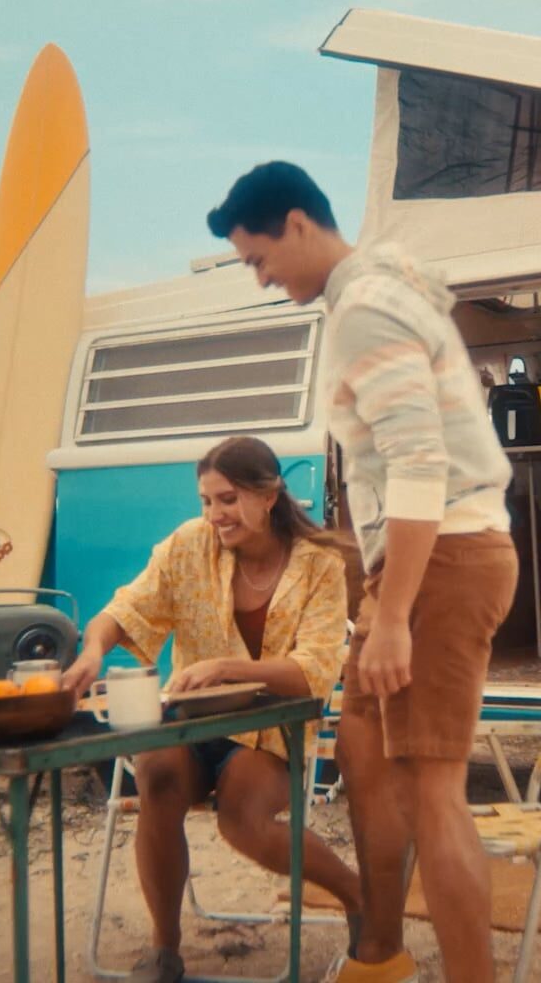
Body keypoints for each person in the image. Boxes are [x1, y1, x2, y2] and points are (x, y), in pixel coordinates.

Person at [207, 162, 519, 983]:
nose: (261, 278)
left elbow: (421, 463)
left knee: (434, 792)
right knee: (365, 753)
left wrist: (390, 615)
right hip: (428, 557)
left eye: (259, 258)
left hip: (445, 555)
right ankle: (379, 956)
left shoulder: (368, 309)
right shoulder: (374, 295)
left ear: (300, 223)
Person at [63, 435, 361, 983]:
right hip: (189, 722)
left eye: (227, 499)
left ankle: (355, 896)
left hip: (273, 731)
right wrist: (91, 652)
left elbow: (314, 673)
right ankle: (165, 947)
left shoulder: (319, 565)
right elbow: (127, 607)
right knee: (156, 784)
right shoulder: (188, 546)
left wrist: (229, 668)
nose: (214, 514)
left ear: (268, 495)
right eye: (206, 500)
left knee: (242, 821)